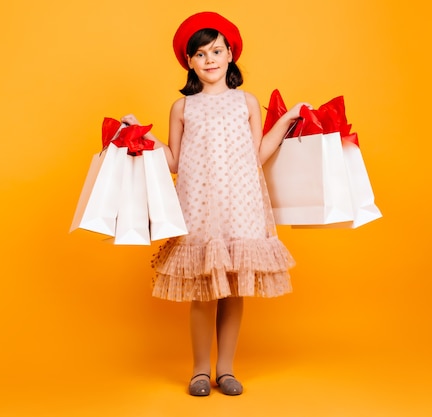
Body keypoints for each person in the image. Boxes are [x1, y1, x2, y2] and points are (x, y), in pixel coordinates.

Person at [121, 11, 310, 396]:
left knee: (234, 290)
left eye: (217, 50)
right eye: (201, 54)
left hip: (241, 204)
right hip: (199, 205)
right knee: (203, 292)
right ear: (189, 61)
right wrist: (138, 131)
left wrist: (289, 118)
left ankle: (226, 370)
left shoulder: (246, 101)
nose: (210, 59)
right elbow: (173, 161)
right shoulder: (183, 108)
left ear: (230, 55)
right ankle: (199, 371)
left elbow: (259, 153)